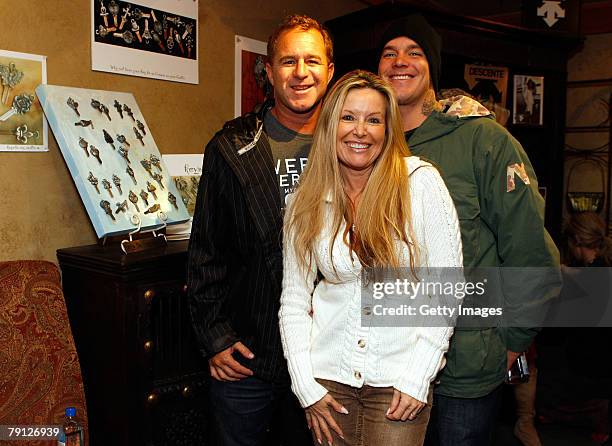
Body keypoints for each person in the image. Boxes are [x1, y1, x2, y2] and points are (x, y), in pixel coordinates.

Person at [376, 14, 561, 446]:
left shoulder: (484, 141)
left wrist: (511, 342)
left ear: (433, 67)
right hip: (388, 363)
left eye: (414, 52)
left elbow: (533, 254)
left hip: (463, 368)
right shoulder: (367, 141)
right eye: (389, 53)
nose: (400, 61)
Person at [279, 70, 463, 446]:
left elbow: (446, 290)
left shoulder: (420, 184)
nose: (359, 130)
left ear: (387, 129)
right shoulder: (305, 199)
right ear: (330, 125)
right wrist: (304, 384)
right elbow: (294, 299)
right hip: (327, 382)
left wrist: (418, 377)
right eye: (348, 117)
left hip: (399, 383)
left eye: (373, 119)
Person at [187, 14, 334, 446]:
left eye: (312, 60)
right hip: (249, 355)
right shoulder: (231, 148)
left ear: (330, 70)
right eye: (288, 61)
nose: (301, 72)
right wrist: (215, 339)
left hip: (327, 356)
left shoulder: (355, 141)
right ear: (268, 72)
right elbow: (205, 254)